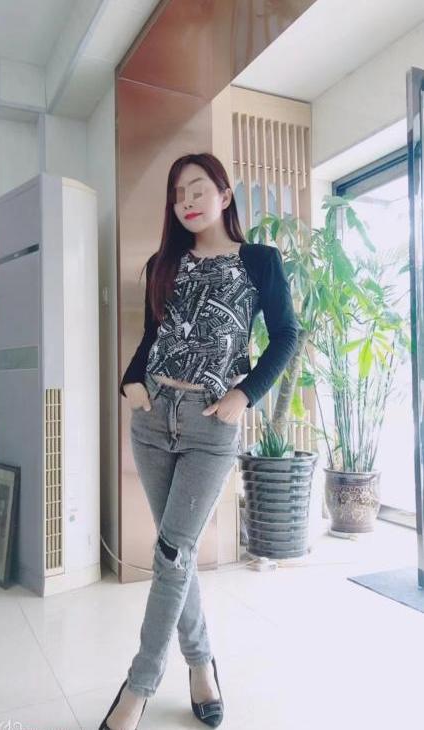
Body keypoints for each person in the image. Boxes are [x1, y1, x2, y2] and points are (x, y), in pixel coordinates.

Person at [99, 152, 299, 730]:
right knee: (176, 553)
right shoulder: (164, 263)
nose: (186, 202)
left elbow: (286, 335)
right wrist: (130, 383)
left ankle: (137, 688)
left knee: (170, 555)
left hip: (211, 422)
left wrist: (246, 394)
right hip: (152, 418)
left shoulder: (259, 261)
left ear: (224, 194)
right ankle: (201, 665)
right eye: (178, 194)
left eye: (197, 190)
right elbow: (152, 338)